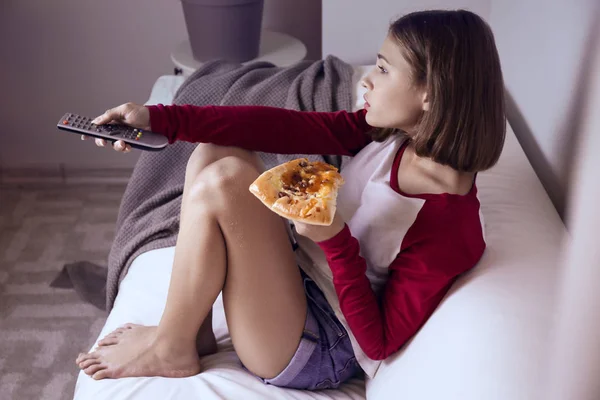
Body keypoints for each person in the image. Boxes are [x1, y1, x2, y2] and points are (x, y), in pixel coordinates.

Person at [75, 9, 505, 390]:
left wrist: (336, 240)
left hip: (322, 347)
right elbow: (276, 127)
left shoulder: (452, 227)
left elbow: (379, 343)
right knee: (213, 151)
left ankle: (170, 347)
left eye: (384, 69)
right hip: (297, 282)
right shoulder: (391, 136)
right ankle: (191, 333)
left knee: (227, 178)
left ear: (431, 93)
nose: (368, 80)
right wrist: (161, 118)